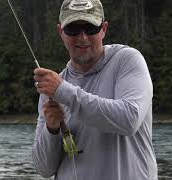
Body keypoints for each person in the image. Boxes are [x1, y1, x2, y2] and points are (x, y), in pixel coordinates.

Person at [32, 0, 158, 179]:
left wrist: (64, 92)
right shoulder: (53, 88)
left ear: (104, 29)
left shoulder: (127, 60)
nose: (82, 37)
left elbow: (130, 118)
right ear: (61, 32)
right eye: (73, 29)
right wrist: (51, 129)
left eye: (91, 28)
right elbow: (44, 169)